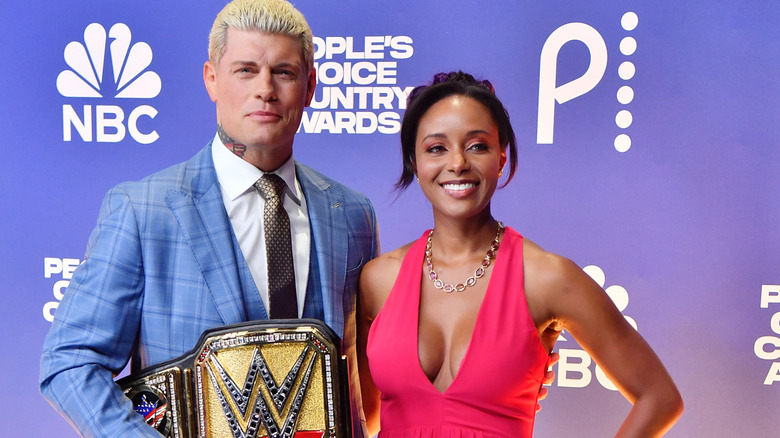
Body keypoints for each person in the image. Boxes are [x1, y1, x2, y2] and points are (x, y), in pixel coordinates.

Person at [39, 1, 379, 436]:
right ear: (212, 79)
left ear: (310, 86)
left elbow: (365, 379)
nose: (265, 89)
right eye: (246, 70)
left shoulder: (351, 214)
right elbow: (69, 363)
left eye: (284, 72)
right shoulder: (143, 211)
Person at [357, 72, 684, 437]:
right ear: (415, 164)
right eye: (436, 148)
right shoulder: (377, 280)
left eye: (477, 146)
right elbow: (362, 420)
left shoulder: (546, 277)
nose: (457, 163)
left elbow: (659, 397)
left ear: (501, 157)